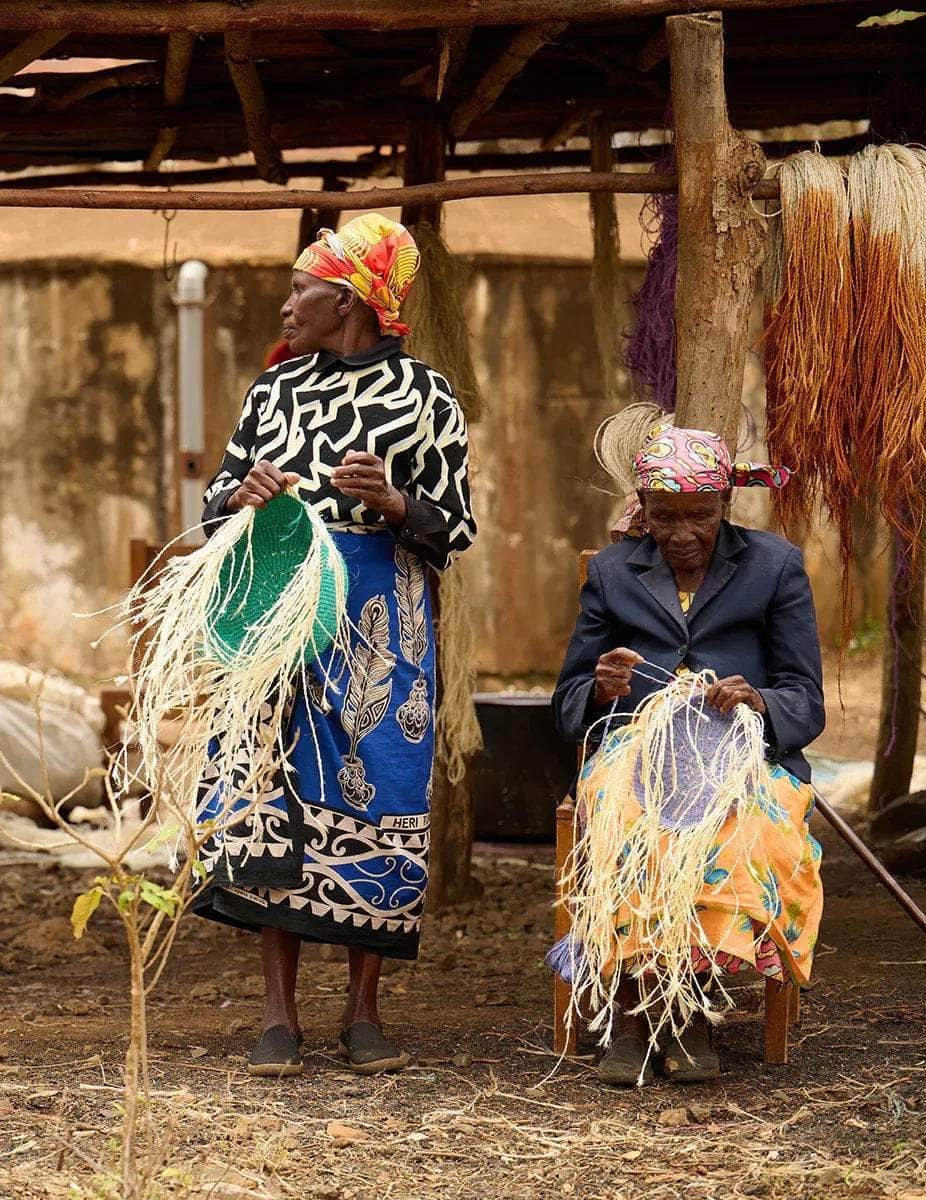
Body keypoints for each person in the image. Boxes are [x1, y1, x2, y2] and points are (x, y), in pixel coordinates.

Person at [195, 214, 475, 1077]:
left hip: (378, 619)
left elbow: (455, 527)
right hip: (275, 606)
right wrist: (242, 495)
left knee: (377, 789)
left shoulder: (426, 397)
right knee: (269, 789)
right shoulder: (271, 391)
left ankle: (363, 1011)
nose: (286, 305)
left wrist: (394, 506)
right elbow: (215, 494)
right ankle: (277, 1015)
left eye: (300, 290)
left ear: (347, 299)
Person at [551, 424, 824, 1086]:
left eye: (697, 516)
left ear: (724, 505)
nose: (680, 533)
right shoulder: (615, 573)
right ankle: (642, 1014)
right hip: (636, 749)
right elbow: (566, 703)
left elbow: (806, 701)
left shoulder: (775, 566)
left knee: (730, 831)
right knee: (633, 820)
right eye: (664, 516)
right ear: (641, 509)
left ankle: (685, 1010)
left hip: (741, 756)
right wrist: (601, 688)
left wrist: (757, 699)